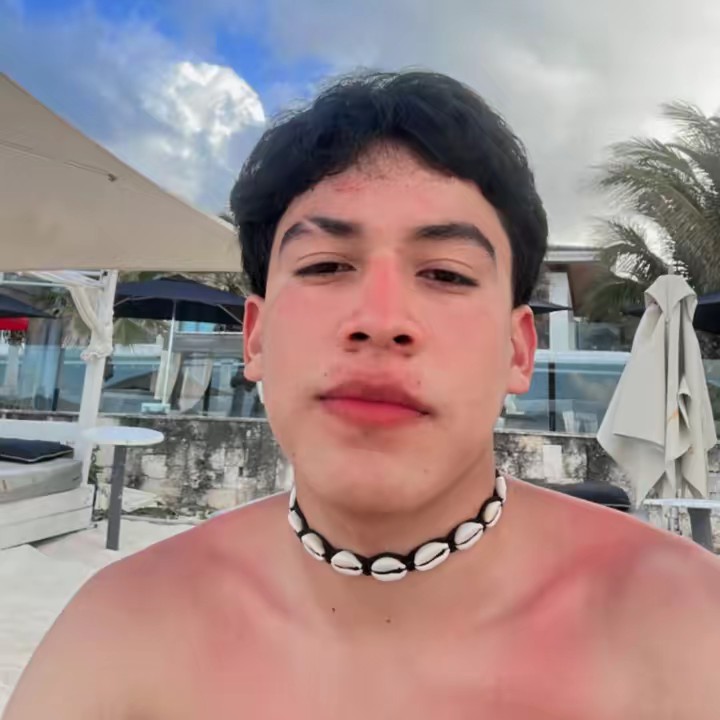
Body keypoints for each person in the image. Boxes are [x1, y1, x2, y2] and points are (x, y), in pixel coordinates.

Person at [5, 71, 720, 720]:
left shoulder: (686, 623)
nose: (380, 319)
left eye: (445, 273)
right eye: (325, 265)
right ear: (256, 338)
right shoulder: (124, 627)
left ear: (518, 350)